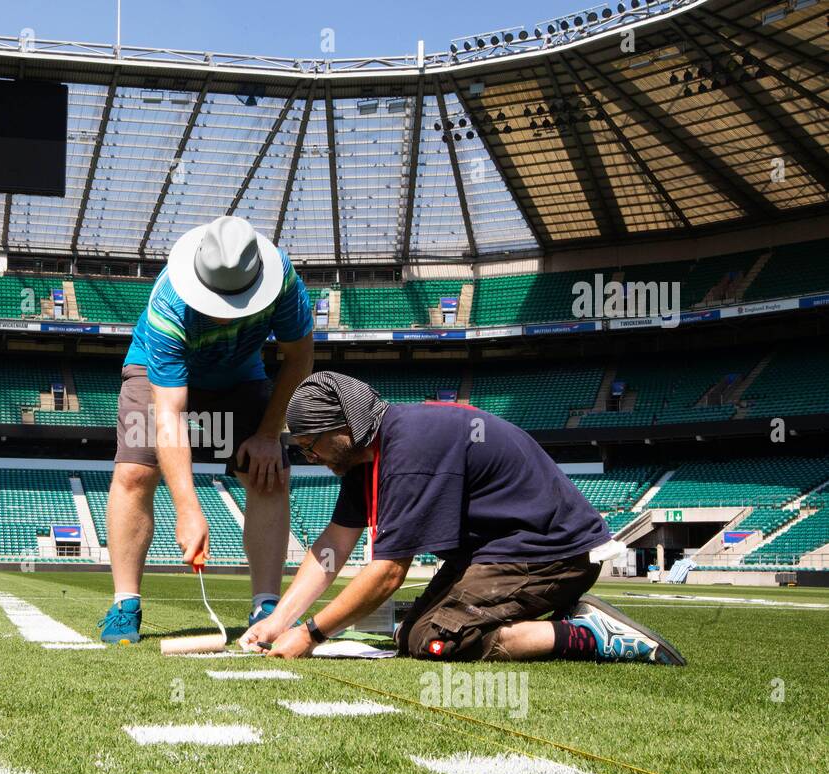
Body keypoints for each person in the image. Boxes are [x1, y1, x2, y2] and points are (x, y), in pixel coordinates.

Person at [240, 371, 686, 665]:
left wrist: (311, 635)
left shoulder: (407, 452)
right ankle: (556, 617)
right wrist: (279, 622)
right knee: (409, 635)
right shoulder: (368, 455)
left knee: (436, 640)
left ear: (344, 429)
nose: (310, 457)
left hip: (550, 553)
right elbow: (331, 548)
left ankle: (590, 636)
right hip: (504, 549)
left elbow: (387, 574)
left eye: (310, 444)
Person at [98, 216, 315, 644]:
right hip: (159, 376)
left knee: (269, 470)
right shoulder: (168, 303)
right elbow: (169, 415)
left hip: (240, 375)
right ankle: (125, 603)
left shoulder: (286, 283)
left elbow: (299, 358)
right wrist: (187, 507)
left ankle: (267, 606)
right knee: (135, 472)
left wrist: (270, 434)